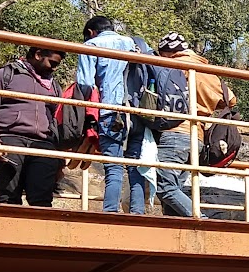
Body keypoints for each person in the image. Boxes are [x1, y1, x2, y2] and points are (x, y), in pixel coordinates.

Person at [148, 32, 237, 217]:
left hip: (175, 132)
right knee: (175, 187)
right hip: (197, 139)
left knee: (163, 186)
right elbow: (231, 100)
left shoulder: (174, 66)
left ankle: (201, 219)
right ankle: (175, 230)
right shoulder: (210, 73)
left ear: (167, 52)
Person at [76, 15, 153, 215]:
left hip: (111, 112)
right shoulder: (132, 43)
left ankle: (110, 211)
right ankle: (137, 212)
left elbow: (85, 83)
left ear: (91, 32)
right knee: (135, 167)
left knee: (114, 167)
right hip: (137, 113)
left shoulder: (92, 45)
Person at [0, 46, 67, 207]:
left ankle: (38, 232)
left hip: (44, 144)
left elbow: (57, 121)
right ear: (38, 54)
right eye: (52, 63)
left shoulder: (54, 85)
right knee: (9, 198)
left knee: (42, 201)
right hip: (10, 140)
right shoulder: (6, 75)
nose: (55, 68)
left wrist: (60, 159)